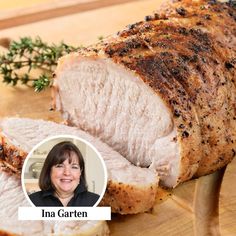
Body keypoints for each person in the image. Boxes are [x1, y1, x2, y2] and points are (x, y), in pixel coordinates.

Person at [29, 141, 100, 207]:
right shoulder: (30, 202)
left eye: (74, 167)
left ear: (80, 172)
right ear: (49, 170)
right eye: (60, 166)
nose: (67, 173)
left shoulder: (97, 202)